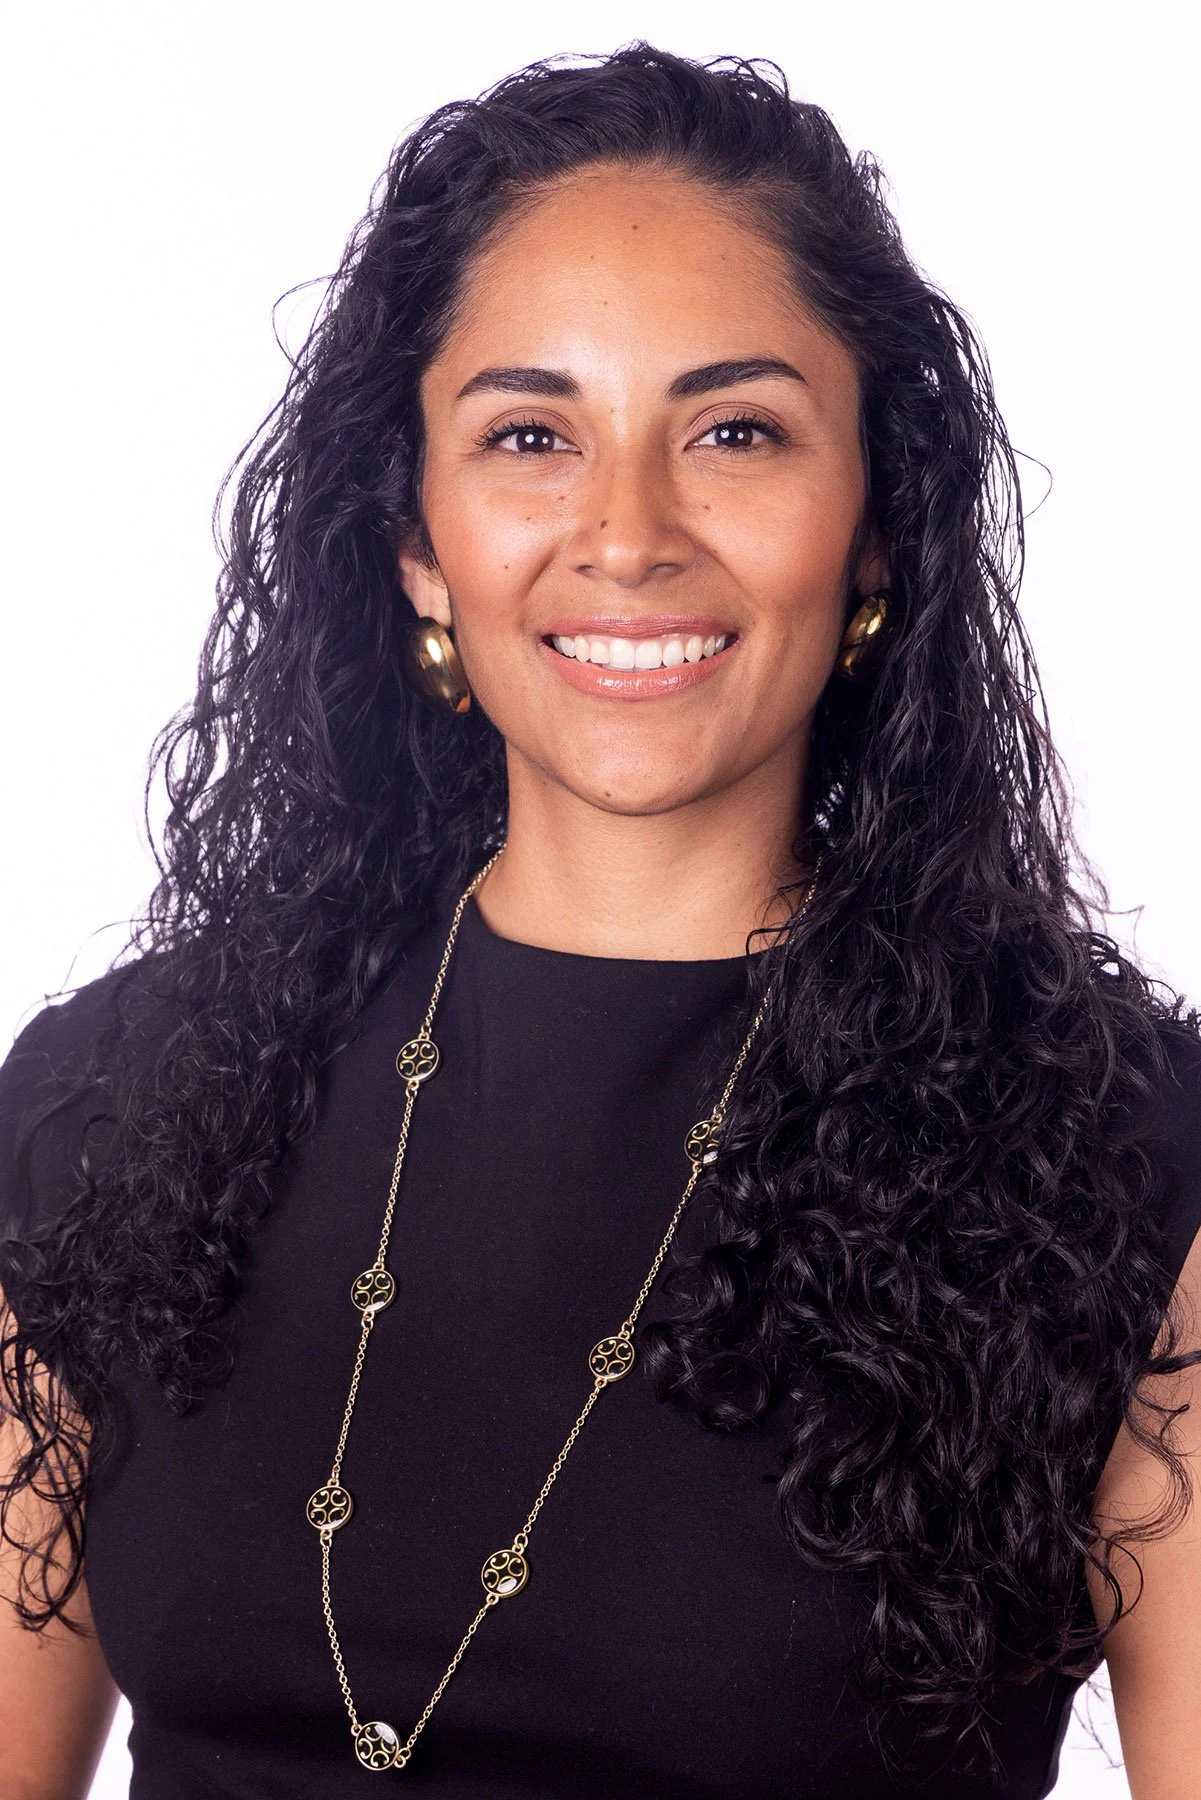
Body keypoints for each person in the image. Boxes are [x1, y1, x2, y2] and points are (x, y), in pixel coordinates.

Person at [2, 42, 1199, 1800]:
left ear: (875, 533)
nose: (626, 536)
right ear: (417, 542)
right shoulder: (113, 1108)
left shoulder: (1121, 1162)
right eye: (529, 435)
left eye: (733, 431)